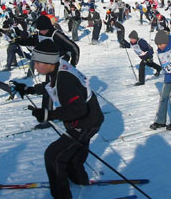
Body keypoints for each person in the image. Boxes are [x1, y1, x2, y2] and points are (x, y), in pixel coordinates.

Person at [10, 40, 104, 199]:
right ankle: (79, 179)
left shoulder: (65, 79)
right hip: (89, 119)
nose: (35, 66)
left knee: (53, 156)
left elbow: (79, 109)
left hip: (85, 122)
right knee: (73, 155)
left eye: (38, 62)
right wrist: (29, 89)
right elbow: (50, 86)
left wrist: (49, 115)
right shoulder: (58, 67)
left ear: (48, 62)